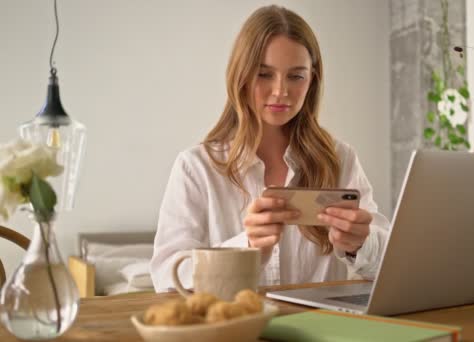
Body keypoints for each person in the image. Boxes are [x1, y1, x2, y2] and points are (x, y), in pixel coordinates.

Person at [150, 5, 389, 292]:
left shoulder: (341, 159)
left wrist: (361, 244)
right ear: (241, 76)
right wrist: (246, 249)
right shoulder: (196, 167)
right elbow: (165, 278)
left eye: (296, 76)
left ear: (311, 80)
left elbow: (390, 266)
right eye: (264, 74)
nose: (280, 91)